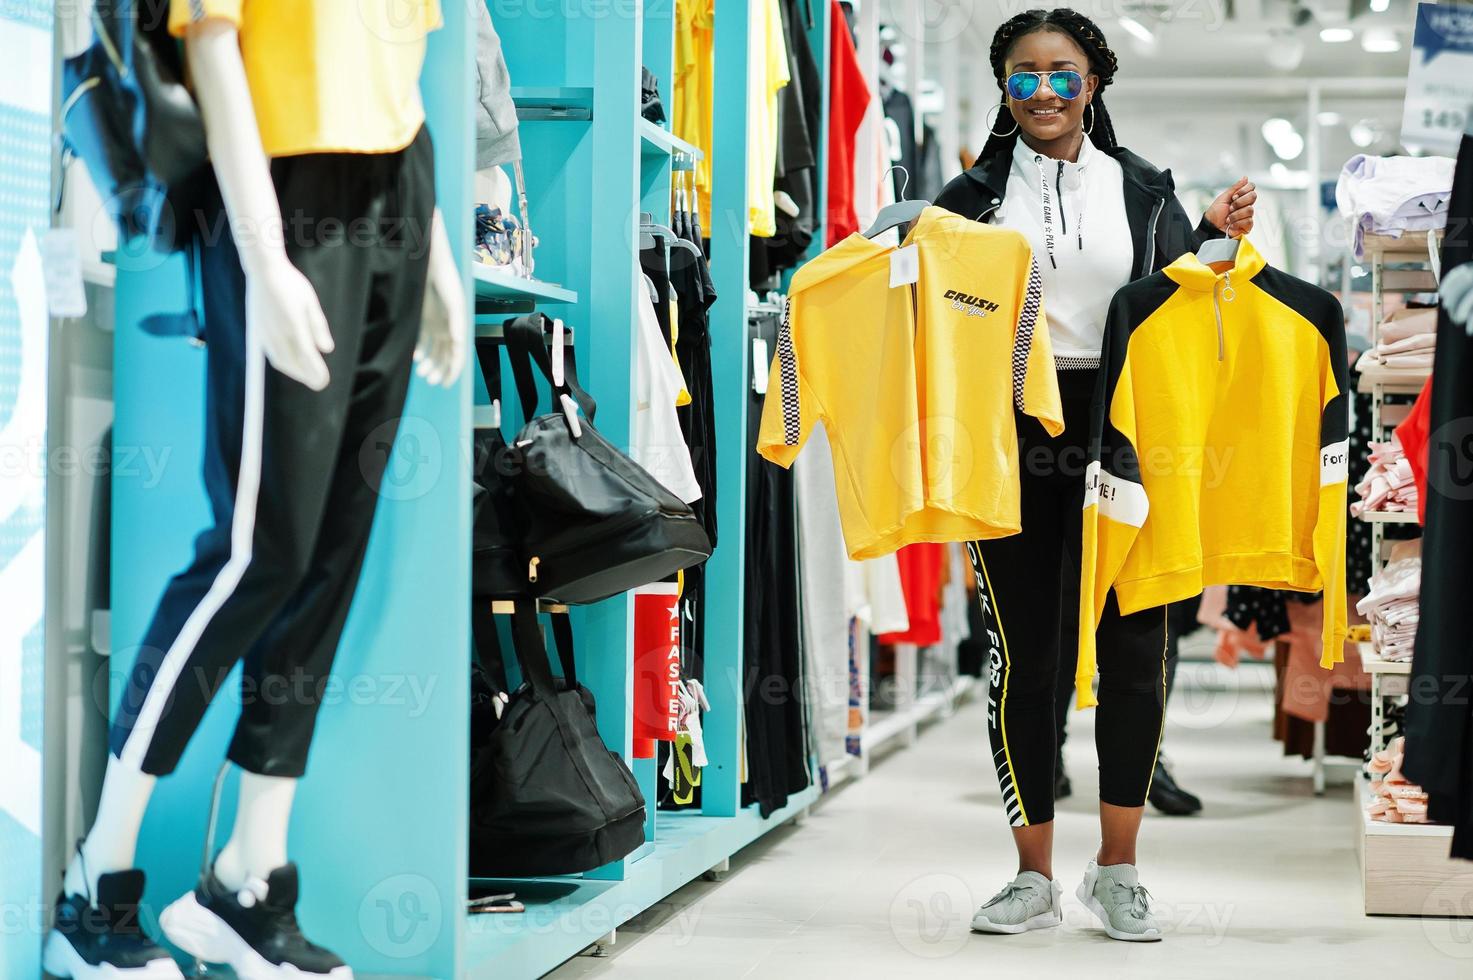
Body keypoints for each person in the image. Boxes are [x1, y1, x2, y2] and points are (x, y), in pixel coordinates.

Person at [934, 8, 1254, 942]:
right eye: (1022, 75)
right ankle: (1031, 874)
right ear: (1002, 88)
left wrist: (1211, 237)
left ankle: (1117, 870)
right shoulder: (964, 200)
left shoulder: (1145, 189)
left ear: (1095, 82)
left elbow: (1177, 303)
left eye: (1060, 73)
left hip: (1127, 435)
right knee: (1024, 658)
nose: (1041, 91)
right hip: (1012, 437)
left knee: (1137, 653)